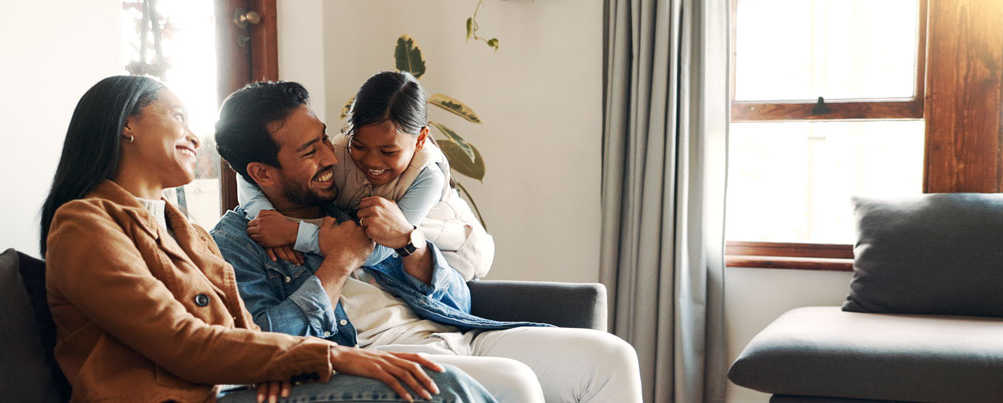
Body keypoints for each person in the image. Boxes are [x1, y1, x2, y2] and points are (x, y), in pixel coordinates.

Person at [39, 75, 495, 403]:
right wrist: (328, 356)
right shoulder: (85, 225)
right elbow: (184, 342)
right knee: (446, 389)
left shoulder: (185, 231)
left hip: (234, 386)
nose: (194, 137)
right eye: (178, 117)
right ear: (127, 125)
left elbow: (246, 334)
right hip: (189, 395)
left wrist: (277, 366)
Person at [210, 80, 643, 403]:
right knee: (516, 383)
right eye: (310, 152)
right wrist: (336, 264)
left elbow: (459, 305)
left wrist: (409, 243)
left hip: (453, 335)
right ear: (262, 173)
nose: (331, 157)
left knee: (610, 357)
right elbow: (259, 343)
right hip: (376, 355)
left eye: (325, 138)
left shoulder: (349, 203)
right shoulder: (234, 246)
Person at [237, 71, 493, 281]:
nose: (371, 161)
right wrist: (264, 217)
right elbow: (248, 171)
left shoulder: (428, 176)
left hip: (454, 249)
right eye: (359, 146)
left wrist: (294, 233)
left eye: (388, 151)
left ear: (420, 139)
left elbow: (378, 248)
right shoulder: (335, 153)